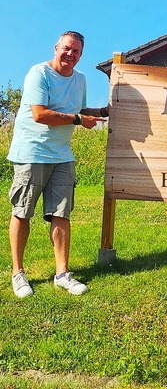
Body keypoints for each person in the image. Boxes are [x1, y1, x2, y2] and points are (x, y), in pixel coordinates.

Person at [8, 31, 108, 297]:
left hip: (62, 155)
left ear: (81, 56)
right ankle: (18, 273)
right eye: (67, 48)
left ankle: (62, 274)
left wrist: (104, 112)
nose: (70, 54)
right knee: (22, 212)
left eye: (76, 52)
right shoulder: (38, 74)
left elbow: (81, 111)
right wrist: (77, 121)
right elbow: (40, 115)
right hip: (32, 152)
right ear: (56, 47)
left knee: (62, 213)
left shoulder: (80, 79)